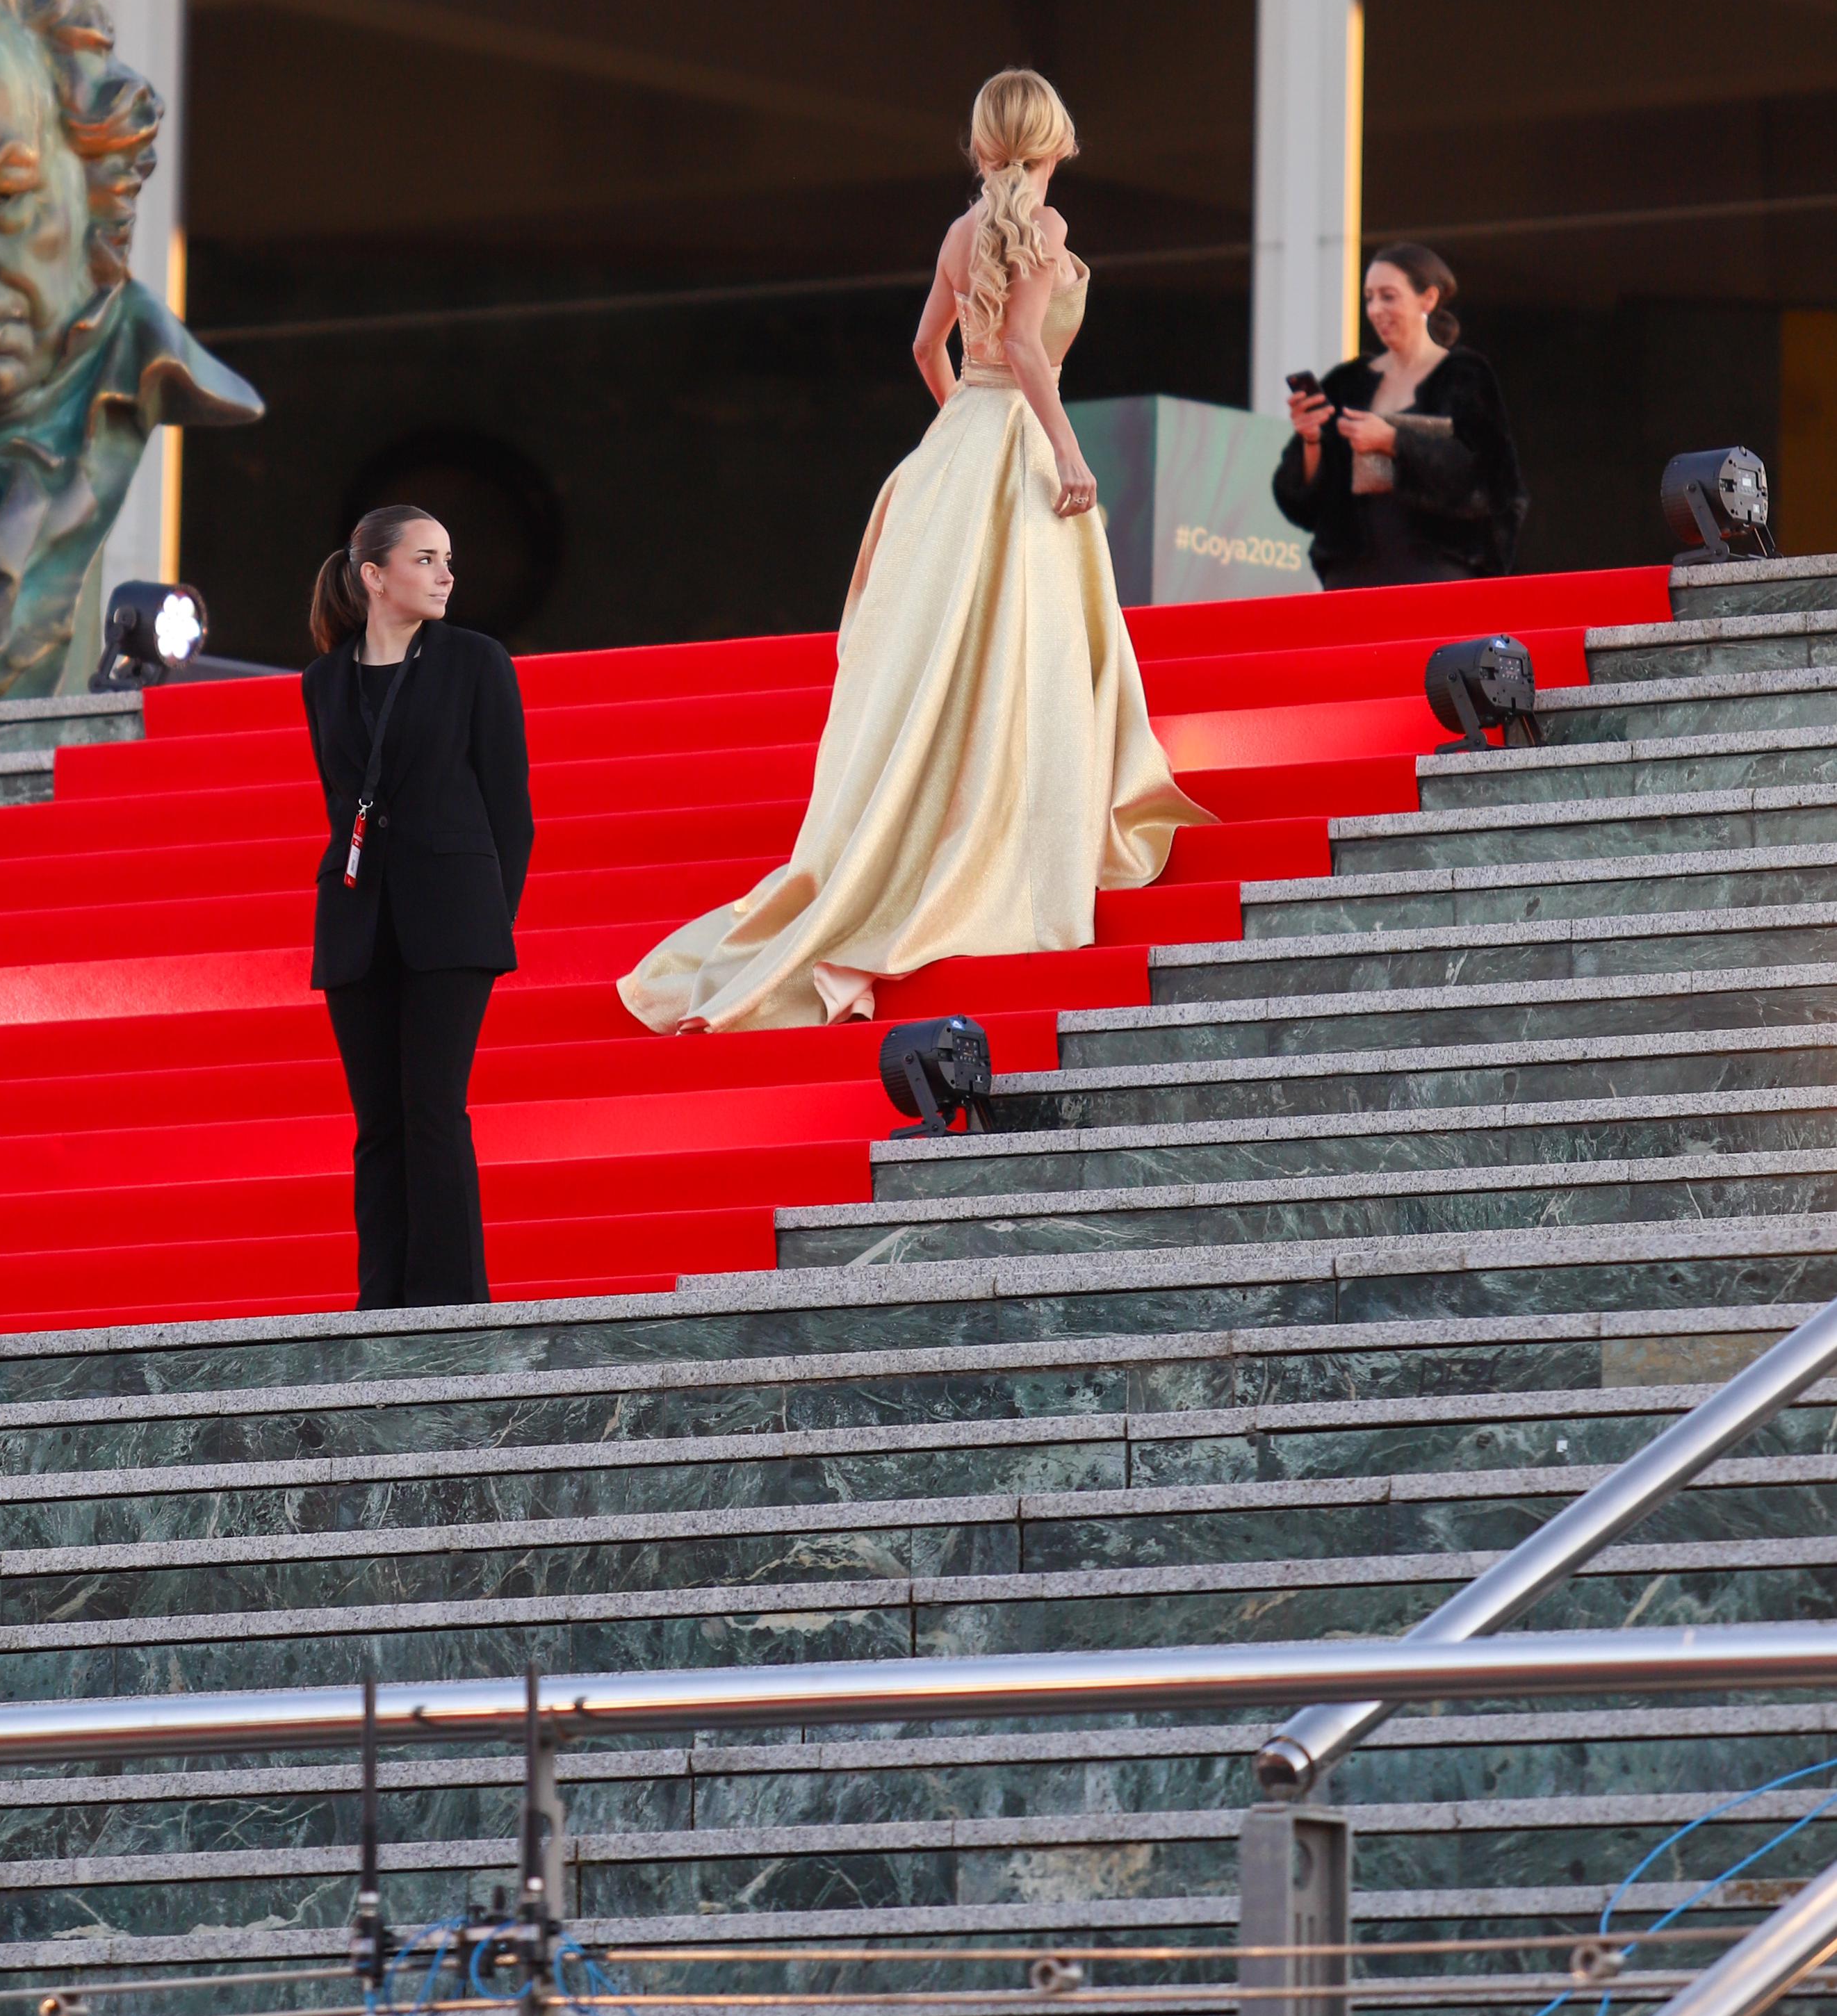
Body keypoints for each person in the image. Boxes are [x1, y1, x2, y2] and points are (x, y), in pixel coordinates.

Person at [618, 69, 1205, 1037]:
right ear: (1057, 137)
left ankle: (923, 842)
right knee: (1021, 659)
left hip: (956, 452)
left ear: (980, 141)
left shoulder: (958, 234)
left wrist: (961, 436)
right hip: (1013, 444)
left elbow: (927, 348)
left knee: (941, 667)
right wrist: (1057, 444)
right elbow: (1022, 346)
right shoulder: (1042, 235)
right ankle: (999, 847)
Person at [302, 505, 533, 1306]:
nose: (446, 574)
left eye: (448, 558)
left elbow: (512, 810)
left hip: (453, 919)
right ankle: (381, 1302)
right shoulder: (324, 678)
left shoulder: (477, 661)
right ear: (374, 575)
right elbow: (342, 802)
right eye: (427, 559)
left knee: (433, 1107)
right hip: (358, 917)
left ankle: (450, 1302)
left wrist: (487, 918)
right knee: (377, 1124)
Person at [1272, 242, 1527, 590]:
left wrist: (1393, 440)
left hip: (1438, 580)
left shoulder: (1463, 375)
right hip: (1350, 583)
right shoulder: (1347, 382)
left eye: (1388, 296)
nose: (1375, 309)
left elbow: (1493, 483)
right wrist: (1311, 441)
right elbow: (1304, 503)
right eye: (1369, 298)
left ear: (1429, 299)